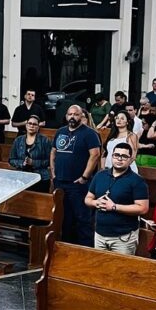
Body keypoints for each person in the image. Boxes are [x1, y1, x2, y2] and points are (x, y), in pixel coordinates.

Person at [50, 104, 101, 246]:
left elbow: (95, 155)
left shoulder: (89, 133)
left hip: (78, 184)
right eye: (70, 114)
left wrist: (85, 177)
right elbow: (53, 152)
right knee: (65, 219)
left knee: (82, 219)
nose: (72, 117)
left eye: (76, 114)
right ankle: (67, 249)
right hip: (60, 182)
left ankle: (84, 250)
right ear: (66, 116)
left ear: (81, 116)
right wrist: (53, 173)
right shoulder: (60, 131)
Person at [85, 142, 149, 255]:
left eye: (124, 156)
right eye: (116, 155)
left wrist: (114, 207)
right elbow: (88, 198)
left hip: (123, 237)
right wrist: (96, 203)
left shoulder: (137, 181)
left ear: (130, 159)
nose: (119, 159)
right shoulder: (100, 175)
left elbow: (143, 208)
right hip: (100, 234)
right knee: (99, 269)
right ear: (112, 156)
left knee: (121, 271)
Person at [9, 114, 51, 190]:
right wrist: (22, 163)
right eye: (30, 123)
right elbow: (11, 159)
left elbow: (49, 161)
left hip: (41, 178)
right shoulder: (18, 140)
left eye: (35, 124)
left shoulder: (45, 140)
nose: (32, 126)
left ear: (38, 127)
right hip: (21, 178)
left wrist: (33, 162)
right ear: (26, 125)